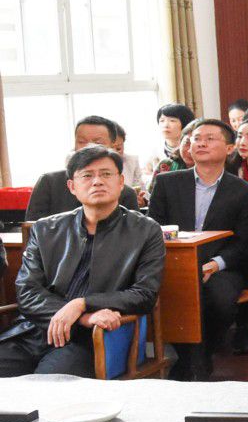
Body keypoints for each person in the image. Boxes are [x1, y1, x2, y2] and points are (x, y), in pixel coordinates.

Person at [0, 146, 165, 378]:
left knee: (50, 387)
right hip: (35, 330)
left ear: (121, 182)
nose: (97, 181)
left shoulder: (145, 230)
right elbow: (27, 291)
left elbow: (145, 294)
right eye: (87, 175)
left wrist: (83, 303)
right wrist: (83, 317)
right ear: (72, 187)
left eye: (106, 174)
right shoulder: (46, 228)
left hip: (92, 339)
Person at [145, 119, 248, 380]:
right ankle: (189, 359)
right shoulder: (167, 183)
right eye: (196, 138)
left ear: (230, 148)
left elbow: (244, 243)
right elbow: (152, 231)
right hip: (171, 264)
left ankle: (202, 354)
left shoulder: (242, 190)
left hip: (217, 266)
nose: (201, 143)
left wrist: (215, 264)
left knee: (220, 299)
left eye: (210, 138)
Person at [27, 116, 141, 220]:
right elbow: (33, 229)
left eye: (97, 142)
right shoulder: (49, 183)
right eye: (81, 141)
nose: (88, 146)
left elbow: (133, 232)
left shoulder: (125, 192)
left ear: (112, 146)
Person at [150, 103, 196, 178]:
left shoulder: (193, 148)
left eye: (172, 121)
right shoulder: (155, 151)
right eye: (162, 121)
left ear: (186, 123)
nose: (166, 125)